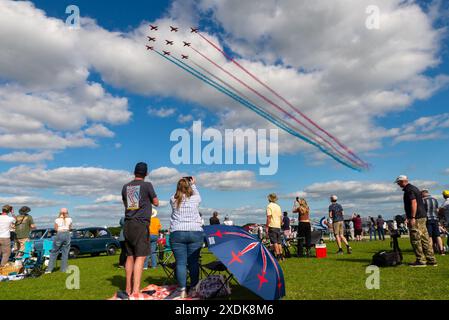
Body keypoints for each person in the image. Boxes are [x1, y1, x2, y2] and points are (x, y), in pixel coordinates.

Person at [121, 162, 159, 296]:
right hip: (141, 224)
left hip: (128, 223)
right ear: (146, 174)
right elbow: (156, 202)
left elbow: (126, 203)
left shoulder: (126, 187)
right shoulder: (147, 185)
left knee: (130, 256)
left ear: (134, 172)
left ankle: (127, 289)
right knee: (141, 257)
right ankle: (136, 291)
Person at [169, 176, 204, 299]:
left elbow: (177, 195)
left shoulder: (173, 199)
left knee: (181, 263)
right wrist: (193, 184)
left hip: (177, 232)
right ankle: (194, 288)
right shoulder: (195, 198)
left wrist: (181, 183)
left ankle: (182, 290)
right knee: (193, 262)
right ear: (189, 187)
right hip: (195, 232)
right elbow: (198, 195)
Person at [395, 175, 437, 267]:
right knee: (425, 238)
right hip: (422, 216)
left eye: (398, 183)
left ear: (402, 181)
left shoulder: (409, 189)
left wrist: (412, 217)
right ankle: (431, 259)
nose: (398, 185)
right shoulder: (414, 188)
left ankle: (420, 260)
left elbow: (413, 202)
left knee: (415, 239)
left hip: (416, 217)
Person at [46, 208, 73, 273]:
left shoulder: (57, 220)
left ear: (60, 213)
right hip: (67, 234)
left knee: (54, 252)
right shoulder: (70, 219)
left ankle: (49, 269)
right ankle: (63, 269)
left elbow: (56, 228)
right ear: (67, 213)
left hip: (59, 234)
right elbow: (70, 228)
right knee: (65, 253)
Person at [422, 190, 444, 255]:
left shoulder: (423, 200)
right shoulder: (435, 200)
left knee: (429, 236)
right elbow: (437, 210)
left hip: (428, 219)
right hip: (435, 219)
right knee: (438, 235)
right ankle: (441, 250)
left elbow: (422, 211)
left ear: (423, 193)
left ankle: (431, 251)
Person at [266, 193, 283, 261]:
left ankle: (278, 256)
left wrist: (267, 226)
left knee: (274, 242)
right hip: (278, 225)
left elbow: (269, 217)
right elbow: (280, 217)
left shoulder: (269, 206)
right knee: (279, 242)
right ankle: (281, 256)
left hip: (272, 225)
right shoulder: (278, 206)